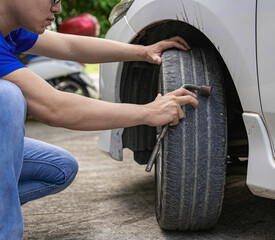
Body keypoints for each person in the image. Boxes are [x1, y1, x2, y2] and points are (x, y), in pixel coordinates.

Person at [0, 0, 198, 238]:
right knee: (7, 97)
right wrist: (149, 112)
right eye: (53, 0)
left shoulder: (10, 29)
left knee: (59, 168)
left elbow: (70, 46)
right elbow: (55, 108)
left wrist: (143, 51)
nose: (58, 9)